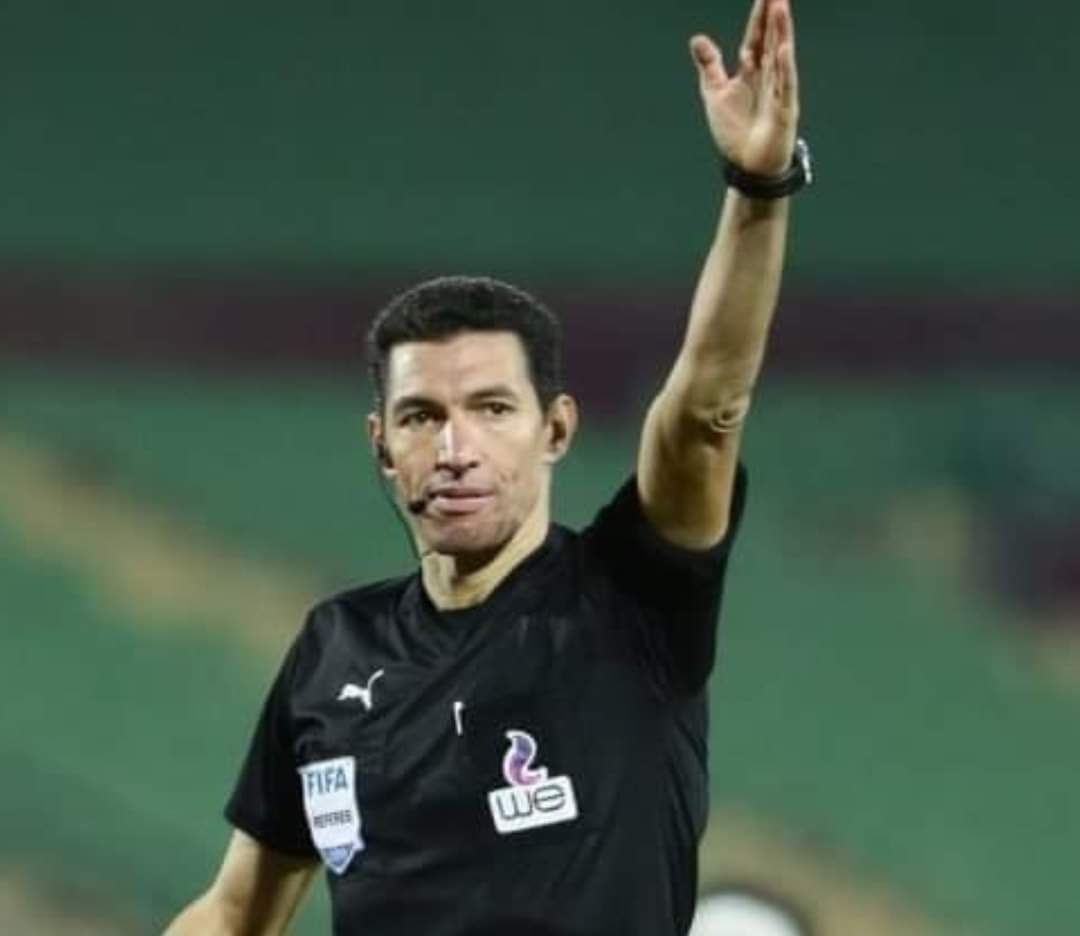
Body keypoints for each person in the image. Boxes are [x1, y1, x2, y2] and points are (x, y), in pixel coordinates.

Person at [164, 0, 809, 932]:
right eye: (422, 416)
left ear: (556, 429)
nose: (455, 449)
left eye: (492, 410)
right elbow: (234, 911)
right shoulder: (334, 650)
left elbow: (705, 411)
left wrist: (759, 186)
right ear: (381, 446)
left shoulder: (630, 597)